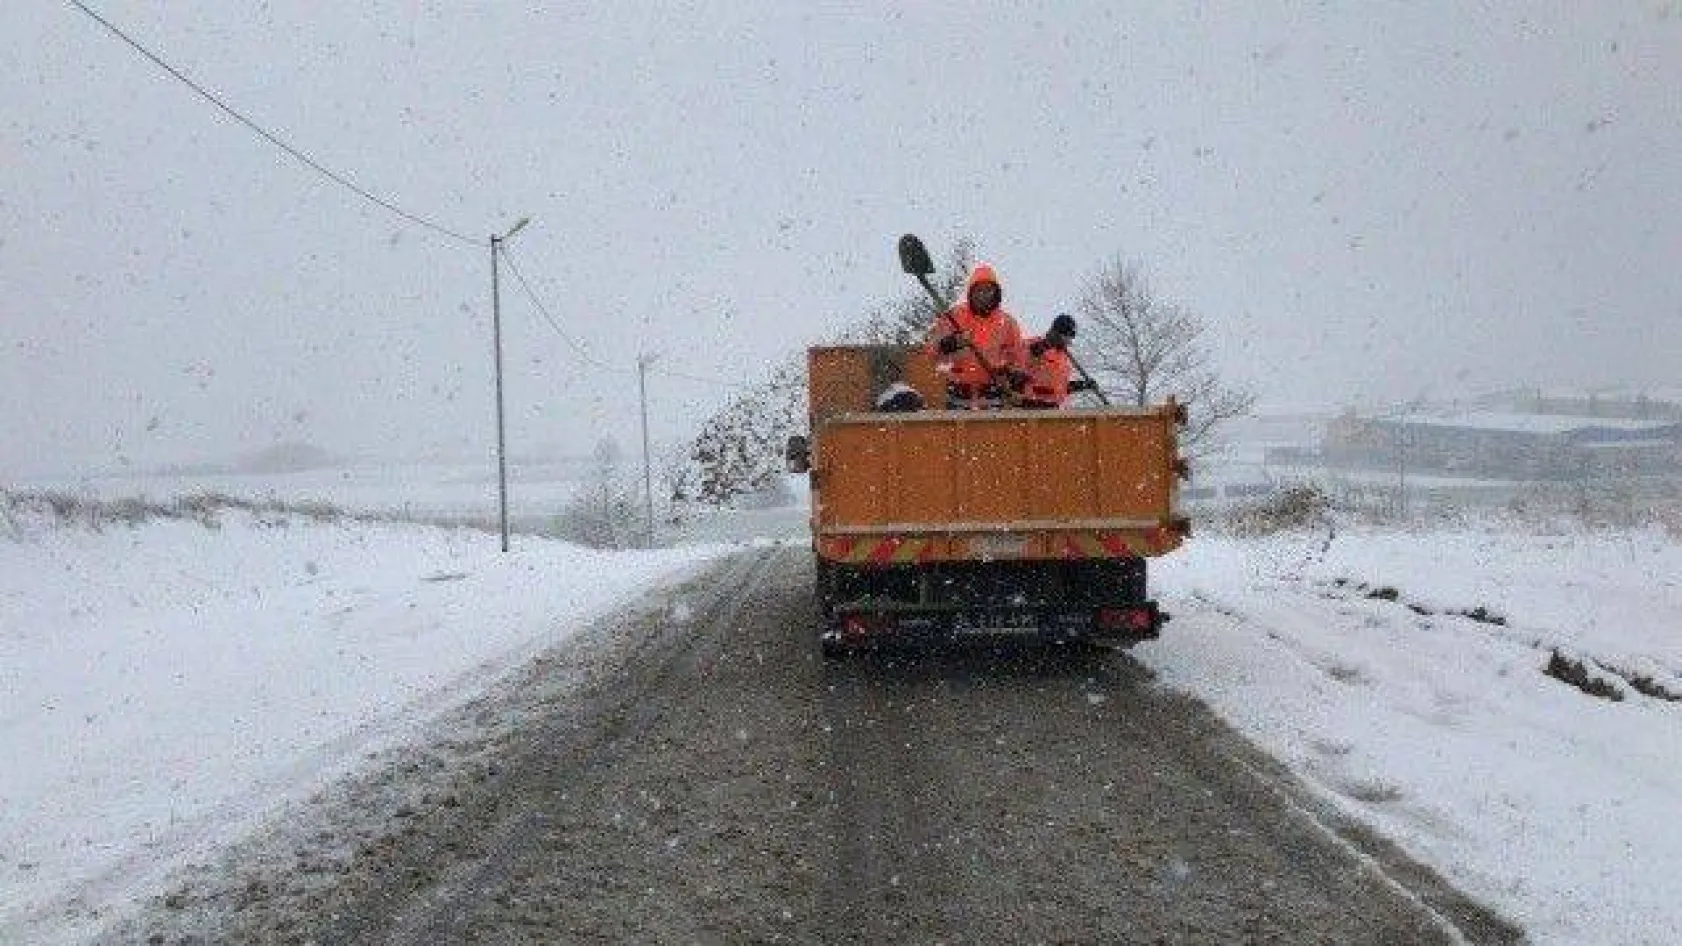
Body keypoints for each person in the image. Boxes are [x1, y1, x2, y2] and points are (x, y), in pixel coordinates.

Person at [925, 262, 1027, 409]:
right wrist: (950, 343)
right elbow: (931, 351)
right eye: (979, 290)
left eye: (988, 290)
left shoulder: (1008, 323)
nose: (983, 295)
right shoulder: (954, 316)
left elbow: (1018, 359)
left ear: (996, 293)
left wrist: (1012, 377)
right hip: (958, 394)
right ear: (971, 292)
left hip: (992, 396)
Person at [1017, 313, 1095, 409]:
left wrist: (1079, 385)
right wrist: (1044, 345)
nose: (1067, 340)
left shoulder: (1064, 358)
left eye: (1069, 337)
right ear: (1054, 332)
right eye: (1064, 335)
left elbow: (1060, 388)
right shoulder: (1033, 344)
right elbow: (1022, 358)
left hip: (1053, 409)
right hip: (1029, 406)